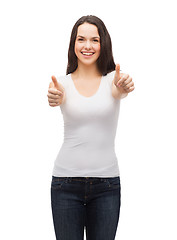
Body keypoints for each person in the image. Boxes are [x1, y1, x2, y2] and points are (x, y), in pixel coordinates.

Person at [47, 15, 135, 240]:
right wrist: (53, 97)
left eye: (94, 40)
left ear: (103, 43)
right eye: (81, 39)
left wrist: (124, 85)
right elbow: (54, 96)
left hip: (106, 185)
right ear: (73, 44)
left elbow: (120, 90)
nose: (87, 46)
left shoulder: (113, 80)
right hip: (65, 185)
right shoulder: (61, 83)